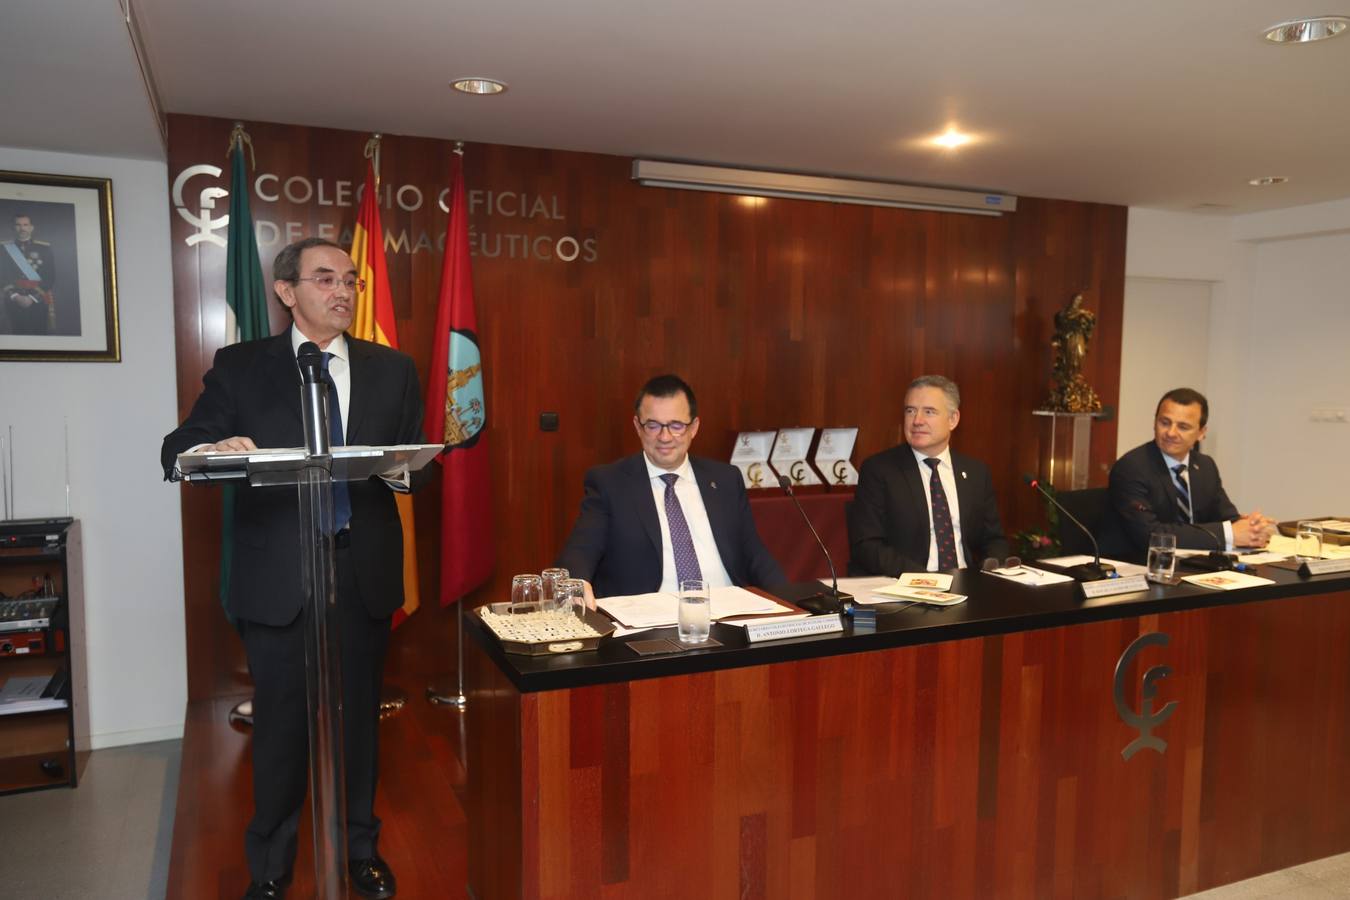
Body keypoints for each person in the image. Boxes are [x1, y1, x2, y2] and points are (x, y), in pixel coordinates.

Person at [161, 237, 423, 900]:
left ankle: (361, 848)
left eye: (351, 280)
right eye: (324, 279)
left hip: (359, 573)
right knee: (280, 728)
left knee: (360, 721)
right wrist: (214, 446)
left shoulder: (392, 369)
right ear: (286, 292)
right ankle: (272, 866)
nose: (342, 291)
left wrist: (404, 470)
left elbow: (412, 466)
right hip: (278, 578)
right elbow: (180, 447)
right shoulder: (242, 367)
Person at [556, 374, 786, 598]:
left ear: (694, 427)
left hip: (727, 611)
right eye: (653, 425)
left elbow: (754, 553)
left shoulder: (725, 479)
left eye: (676, 425)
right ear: (638, 426)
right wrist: (576, 583)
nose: (665, 437)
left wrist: (791, 603)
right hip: (650, 621)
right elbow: (581, 549)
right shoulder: (610, 483)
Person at [849, 375, 1009, 575]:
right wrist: (926, 581)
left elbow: (994, 540)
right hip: (906, 586)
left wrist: (989, 574)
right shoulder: (880, 470)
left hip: (968, 585)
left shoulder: (976, 472)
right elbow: (867, 545)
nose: (917, 421)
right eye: (910, 411)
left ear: (953, 419)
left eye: (929, 412)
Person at [1105, 387, 1274, 558]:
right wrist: (1229, 534)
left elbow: (1226, 518)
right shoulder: (1132, 468)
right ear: (1154, 422)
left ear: (1201, 433)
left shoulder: (1205, 466)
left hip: (1196, 565)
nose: (1171, 433)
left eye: (1183, 427)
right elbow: (1151, 535)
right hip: (1141, 565)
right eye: (1164, 422)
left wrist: (1252, 527)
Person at [0, 212, 57, 335]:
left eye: (25, 224)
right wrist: (15, 296)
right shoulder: (3, 249)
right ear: (13, 227)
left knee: (39, 335)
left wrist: (32, 298)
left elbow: (50, 277)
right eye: (18, 225)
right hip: (13, 300)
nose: (22, 228)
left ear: (32, 227)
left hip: (38, 300)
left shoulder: (44, 249)